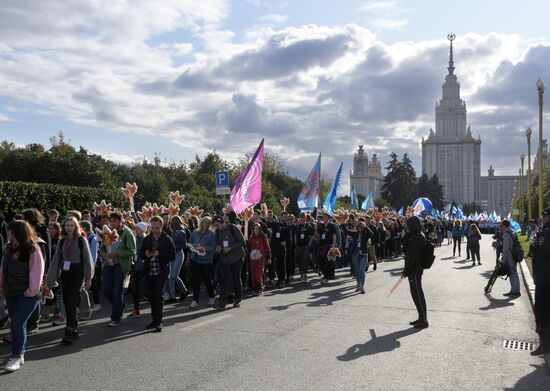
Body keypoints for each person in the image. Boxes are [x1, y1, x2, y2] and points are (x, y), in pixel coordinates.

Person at [0, 220, 44, 372]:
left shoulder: (32, 249)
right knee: (19, 324)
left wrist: (30, 292)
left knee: (17, 323)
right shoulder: (8, 247)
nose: (9, 233)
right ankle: (21, 353)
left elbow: (37, 273)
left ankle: (16, 357)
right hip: (11, 292)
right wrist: (2, 287)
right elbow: (3, 268)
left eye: (11, 230)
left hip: (27, 295)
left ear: (19, 232)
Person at [47, 217, 94, 344]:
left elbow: (88, 260)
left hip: (77, 273)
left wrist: (88, 278)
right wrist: (49, 282)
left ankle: (69, 331)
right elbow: (56, 261)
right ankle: (74, 329)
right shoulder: (62, 242)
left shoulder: (81, 240)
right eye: (67, 225)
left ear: (76, 226)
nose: (69, 228)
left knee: (72, 301)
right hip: (65, 274)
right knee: (67, 303)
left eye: (72, 225)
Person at [99, 212, 136, 327]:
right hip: (108, 264)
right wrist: (106, 256)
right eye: (111, 221)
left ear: (121, 221)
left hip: (120, 265)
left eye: (115, 221)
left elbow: (132, 251)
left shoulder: (127, 233)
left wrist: (117, 253)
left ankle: (116, 317)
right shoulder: (107, 232)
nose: (113, 223)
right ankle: (119, 306)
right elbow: (102, 249)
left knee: (117, 291)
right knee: (106, 289)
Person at [140, 216, 175, 332]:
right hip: (149, 271)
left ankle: (159, 321)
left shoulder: (167, 239)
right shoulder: (147, 239)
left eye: (157, 228)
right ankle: (154, 319)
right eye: (153, 228)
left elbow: (172, 256)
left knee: (158, 295)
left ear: (162, 226)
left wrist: (159, 254)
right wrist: (146, 254)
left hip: (161, 271)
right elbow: (141, 254)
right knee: (151, 296)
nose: (155, 230)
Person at [212, 213, 246, 310]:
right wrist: (218, 248)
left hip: (237, 258)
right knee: (223, 280)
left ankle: (238, 299)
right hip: (225, 259)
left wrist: (230, 248)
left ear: (222, 222)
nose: (217, 227)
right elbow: (217, 244)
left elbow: (242, 242)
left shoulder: (233, 228)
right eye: (215, 226)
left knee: (236, 278)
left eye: (217, 225)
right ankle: (222, 302)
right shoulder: (217, 233)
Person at [402, 216, 428, 329]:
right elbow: (404, 246)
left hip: (415, 269)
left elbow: (413, 256)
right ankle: (421, 317)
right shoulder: (413, 235)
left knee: (418, 294)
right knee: (415, 294)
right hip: (412, 269)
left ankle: (424, 320)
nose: (407, 227)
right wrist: (407, 233)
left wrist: (406, 271)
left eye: (408, 225)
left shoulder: (419, 237)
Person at [530, 208, 550, 356]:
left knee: (542, 311)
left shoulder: (547, 232)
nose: (542, 219)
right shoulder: (545, 231)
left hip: (545, 277)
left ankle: (544, 344)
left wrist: (534, 243)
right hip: (544, 276)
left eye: (544, 217)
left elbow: (541, 251)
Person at [188, 217, 217, 308]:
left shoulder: (211, 234)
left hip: (206, 261)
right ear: (201, 222)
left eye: (209, 222)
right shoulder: (194, 233)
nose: (207, 224)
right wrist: (192, 248)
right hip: (195, 259)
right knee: (196, 281)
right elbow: (189, 243)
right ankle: (195, 300)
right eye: (205, 222)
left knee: (207, 280)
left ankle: (212, 297)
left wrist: (204, 248)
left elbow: (213, 247)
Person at [165, 216, 188, 303]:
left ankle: (176, 295)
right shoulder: (174, 232)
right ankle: (177, 294)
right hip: (173, 255)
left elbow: (184, 245)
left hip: (178, 254)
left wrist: (173, 247)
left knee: (173, 276)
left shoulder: (180, 232)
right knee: (171, 276)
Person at [128, 222, 148, 317]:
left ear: (142, 230)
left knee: (142, 290)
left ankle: (156, 304)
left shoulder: (145, 239)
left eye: (137, 228)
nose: (135, 230)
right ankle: (136, 310)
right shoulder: (135, 238)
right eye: (135, 228)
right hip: (135, 267)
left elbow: (142, 252)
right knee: (134, 289)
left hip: (142, 267)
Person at [247, 223, 271, 295]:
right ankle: (255, 288)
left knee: (258, 273)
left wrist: (269, 257)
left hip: (260, 258)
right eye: (255, 229)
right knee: (253, 273)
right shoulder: (251, 237)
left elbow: (267, 247)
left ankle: (259, 287)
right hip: (252, 258)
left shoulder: (263, 237)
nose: (256, 230)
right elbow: (249, 247)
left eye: (257, 229)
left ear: (260, 229)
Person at [500, 220, 520, 298]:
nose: (501, 227)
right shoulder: (513, 232)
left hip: (509, 256)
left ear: (504, 226)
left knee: (512, 274)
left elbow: (505, 248)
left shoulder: (506, 234)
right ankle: (516, 290)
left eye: (501, 225)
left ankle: (514, 291)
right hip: (515, 255)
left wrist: (504, 259)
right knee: (515, 273)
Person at [295, 213, 314, 281]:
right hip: (298, 245)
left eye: (304, 217)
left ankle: (304, 274)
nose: (302, 218)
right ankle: (301, 273)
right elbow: (295, 235)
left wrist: (309, 243)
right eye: (301, 217)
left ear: (306, 218)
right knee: (299, 260)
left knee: (304, 259)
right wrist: (295, 243)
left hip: (306, 245)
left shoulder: (309, 226)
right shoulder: (297, 226)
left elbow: (312, 235)